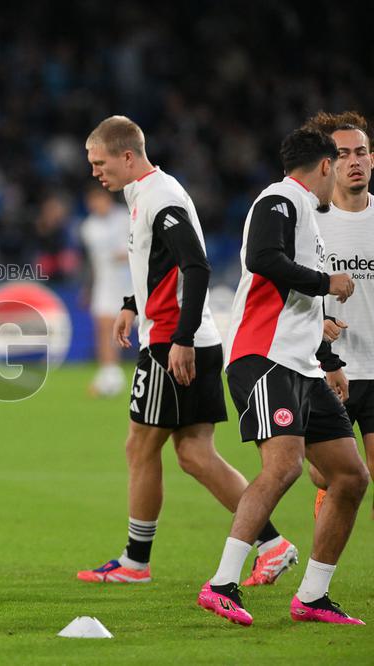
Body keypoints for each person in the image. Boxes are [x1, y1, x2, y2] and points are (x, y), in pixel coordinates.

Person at [78, 116, 296, 586]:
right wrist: (132, 304)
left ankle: (136, 561)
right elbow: (162, 265)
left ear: (128, 156)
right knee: (195, 454)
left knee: (139, 446)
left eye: (100, 163)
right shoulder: (144, 194)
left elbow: (196, 265)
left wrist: (180, 337)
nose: (96, 172)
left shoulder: (161, 197)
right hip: (184, 338)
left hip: (173, 345)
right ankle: (273, 544)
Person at [199, 128, 368, 626]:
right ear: (323, 166)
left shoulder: (306, 218)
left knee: (350, 476)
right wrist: (326, 282)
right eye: (336, 163)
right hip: (263, 357)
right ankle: (222, 584)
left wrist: (326, 357)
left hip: (302, 365)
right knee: (285, 466)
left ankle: (312, 597)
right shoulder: (279, 199)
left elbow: (298, 304)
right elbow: (262, 261)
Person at [303, 111, 374, 519]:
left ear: (371, 159)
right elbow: (292, 290)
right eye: (343, 153)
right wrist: (318, 324)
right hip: (331, 370)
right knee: (323, 473)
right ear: (328, 163)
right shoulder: (312, 221)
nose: (354, 161)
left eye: (361, 152)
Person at [79, 183, 131, 397]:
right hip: (105, 283)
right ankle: (110, 375)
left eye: (99, 200)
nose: (96, 205)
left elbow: (144, 246)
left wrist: (126, 255)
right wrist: (88, 287)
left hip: (130, 283)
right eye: (92, 202)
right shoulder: (88, 227)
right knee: (103, 327)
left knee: (143, 329)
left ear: (107, 200)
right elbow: (92, 261)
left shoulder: (125, 218)